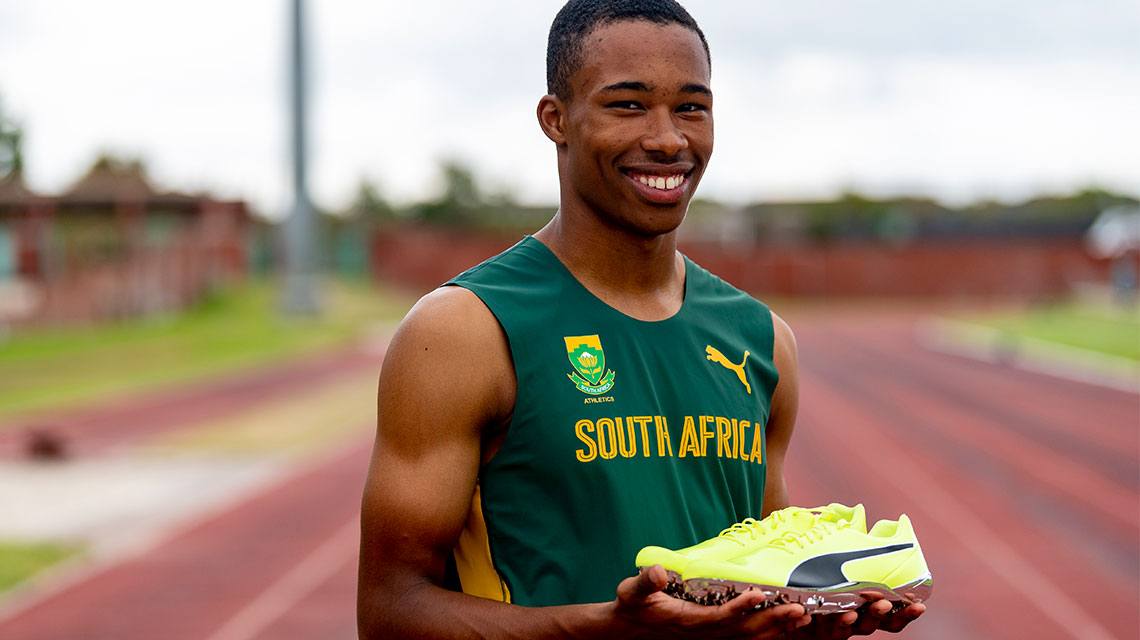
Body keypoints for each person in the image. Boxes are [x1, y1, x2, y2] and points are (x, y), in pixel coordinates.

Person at [357, 1, 926, 637]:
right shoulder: (464, 331)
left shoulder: (761, 339)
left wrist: (811, 613)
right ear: (556, 119)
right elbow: (390, 613)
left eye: (691, 107)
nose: (668, 138)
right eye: (628, 105)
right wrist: (614, 629)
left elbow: (754, 588)